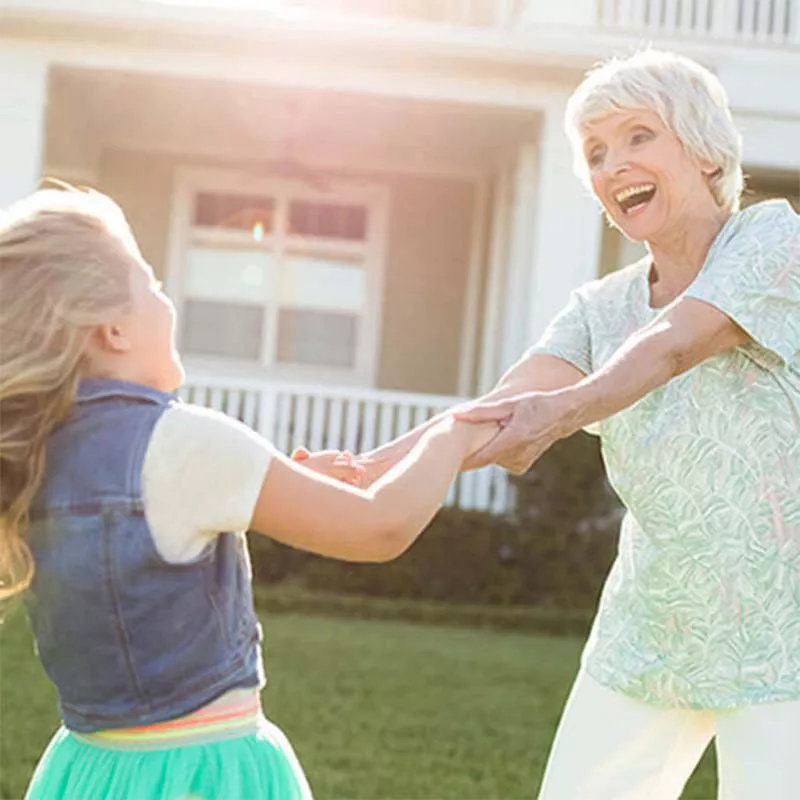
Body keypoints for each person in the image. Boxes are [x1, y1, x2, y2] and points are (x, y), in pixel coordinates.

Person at [356, 50, 800, 798]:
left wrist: (560, 415)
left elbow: (674, 344)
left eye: (636, 136)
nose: (611, 163)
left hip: (783, 635)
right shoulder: (600, 308)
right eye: (595, 152)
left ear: (700, 145)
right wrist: (374, 465)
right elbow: (497, 409)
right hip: (651, 628)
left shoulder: (771, 242)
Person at [0, 188, 499, 800]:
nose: (167, 301)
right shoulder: (185, 439)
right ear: (114, 328)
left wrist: (295, 485)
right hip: (208, 772)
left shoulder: (31, 456)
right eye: (151, 284)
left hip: (88, 770)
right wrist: (452, 435)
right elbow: (379, 527)